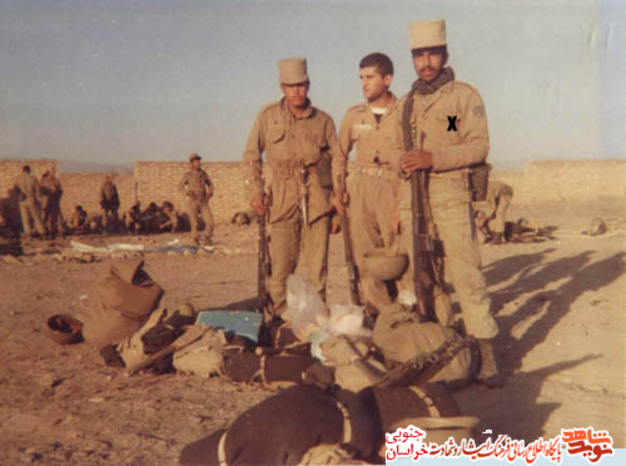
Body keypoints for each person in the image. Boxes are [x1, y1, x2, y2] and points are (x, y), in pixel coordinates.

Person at [396, 19, 501, 386]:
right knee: (425, 277)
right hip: (414, 200)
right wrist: (402, 163)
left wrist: (432, 158)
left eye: (432, 54)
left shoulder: (458, 99)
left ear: (445, 54)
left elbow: (474, 146)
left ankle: (486, 353)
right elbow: (396, 151)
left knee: (466, 274)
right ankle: (445, 347)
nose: (425, 62)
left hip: (449, 197)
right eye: (419, 55)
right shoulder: (406, 104)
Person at [242, 57, 346, 318]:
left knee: (316, 271)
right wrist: (255, 192)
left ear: (308, 85)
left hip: (318, 199)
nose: (296, 91)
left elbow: (337, 161)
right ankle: (280, 319)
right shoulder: (268, 117)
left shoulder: (323, 120)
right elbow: (251, 156)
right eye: (290, 86)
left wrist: (337, 201)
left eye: (301, 85)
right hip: (282, 199)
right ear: (282, 87)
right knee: (280, 270)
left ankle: (316, 322)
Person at [338, 52, 402, 316]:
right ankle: (379, 315)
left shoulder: (404, 112)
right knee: (365, 255)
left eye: (370, 77)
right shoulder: (354, 115)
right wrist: (339, 189)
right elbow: (339, 155)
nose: (364, 83)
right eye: (361, 78)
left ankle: (405, 313)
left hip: (393, 188)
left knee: (397, 253)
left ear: (387, 79)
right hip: (361, 189)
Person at [178, 153, 214, 245]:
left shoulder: (204, 174)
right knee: (194, 223)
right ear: (192, 164)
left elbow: (210, 185)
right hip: (193, 201)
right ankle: (195, 239)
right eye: (196, 162)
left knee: (210, 221)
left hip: (203, 201)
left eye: (199, 161)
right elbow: (180, 187)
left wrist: (209, 194)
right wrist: (188, 192)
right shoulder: (188, 175)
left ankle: (207, 238)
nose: (198, 163)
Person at [474, 179, 514, 245]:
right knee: (495, 215)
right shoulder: (483, 188)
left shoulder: (487, 190)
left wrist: (485, 219)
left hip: (505, 192)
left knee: (500, 213)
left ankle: (498, 238)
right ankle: (497, 236)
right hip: (499, 194)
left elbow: (493, 206)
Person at [13, 165, 46, 239]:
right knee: (36, 216)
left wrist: (18, 196)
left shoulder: (18, 178)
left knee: (25, 218)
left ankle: (28, 234)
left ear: (23, 170)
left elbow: (15, 189)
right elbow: (38, 189)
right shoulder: (33, 178)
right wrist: (38, 198)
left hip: (22, 200)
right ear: (29, 170)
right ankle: (42, 232)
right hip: (31, 198)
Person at [40, 168, 65, 238]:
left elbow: (61, 191)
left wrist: (56, 193)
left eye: (54, 172)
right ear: (48, 173)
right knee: (45, 217)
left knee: (57, 217)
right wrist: (49, 191)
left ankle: (59, 231)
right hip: (46, 201)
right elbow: (41, 190)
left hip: (55, 201)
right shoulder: (43, 181)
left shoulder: (56, 180)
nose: (53, 174)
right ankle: (45, 231)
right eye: (52, 172)